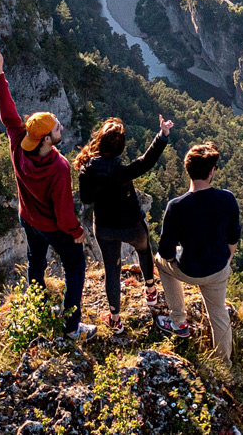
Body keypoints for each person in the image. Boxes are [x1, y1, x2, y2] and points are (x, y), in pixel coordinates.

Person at [0, 44, 94, 338]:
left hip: (27, 219)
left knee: (36, 261)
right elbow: (63, 214)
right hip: (51, 226)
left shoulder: (19, 142)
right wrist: (77, 232)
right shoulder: (58, 168)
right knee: (75, 267)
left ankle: (37, 306)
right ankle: (72, 327)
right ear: (46, 139)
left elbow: (7, 113)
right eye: (57, 128)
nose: (61, 128)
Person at [73, 114, 174, 329]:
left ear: (99, 141)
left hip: (104, 228)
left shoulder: (87, 169)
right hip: (132, 225)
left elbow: (86, 199)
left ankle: (116, 319)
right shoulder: (122, 171)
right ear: (120, 148)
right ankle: (150, 290)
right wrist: (162, 135)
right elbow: (147, 161)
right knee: (144, 250)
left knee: (112, 270)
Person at [154, 142, 240, 363]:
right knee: (218, 314)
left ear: (187, 170)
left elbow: (166, 250)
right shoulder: (227, 199)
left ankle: (179, 321)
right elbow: (233, 237)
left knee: (159, 261)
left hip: (188, 269)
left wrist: (174, 259)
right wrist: (227, 260)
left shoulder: (176, 206)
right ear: (211, 172)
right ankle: (224, 363)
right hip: (217, 269)